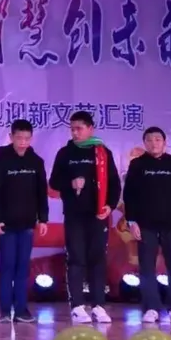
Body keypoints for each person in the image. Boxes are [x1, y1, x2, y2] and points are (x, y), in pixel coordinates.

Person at [49, 110, 121, 324]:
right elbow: (54, 182)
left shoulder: (102, 152)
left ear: (91, 129)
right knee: (76, 258)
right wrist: (70, 184)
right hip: (74, 215)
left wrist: (110, 206)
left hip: (98, 215)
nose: (75, 133)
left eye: (79, 128)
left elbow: (114, 183)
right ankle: (77, 306)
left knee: (98, 259)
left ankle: (99, 305)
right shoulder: (65, 153)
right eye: (72, 129)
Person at [123, 126, 171, 325]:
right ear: (144, 143)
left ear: (164, 142)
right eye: (149, 140)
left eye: (157, 140)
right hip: (146, 225)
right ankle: (151, 307)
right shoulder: (137, 165)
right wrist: (132, 221)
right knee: (146, 267)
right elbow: (129, 196)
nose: (153, 143)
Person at [0, 119, 49, 323]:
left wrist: (43, 219)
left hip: (28, 224)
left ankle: (21, 310)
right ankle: (5, 310)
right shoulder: (0, 162)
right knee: (7, 267)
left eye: (26, 138)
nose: (22, 142)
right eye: (19, 138)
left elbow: (41, 193)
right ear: (11, 137)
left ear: (31, 139)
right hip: (6, 225)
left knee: (23, 268)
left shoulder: (36, 162)